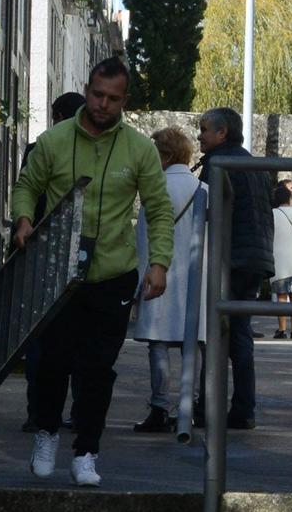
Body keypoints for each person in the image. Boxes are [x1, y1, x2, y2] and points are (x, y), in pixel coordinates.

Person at [10, 58, 174, 486]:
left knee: (98, 368)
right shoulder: (54, 141)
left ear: (125, 100)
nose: (103, 105)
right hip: (57, 273)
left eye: (113, 99)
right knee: (51, 364)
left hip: (113, 274)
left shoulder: (139, 149)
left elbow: (158, 210)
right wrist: (24, 219)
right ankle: (46, 433)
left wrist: (159, 263)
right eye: (97, 95)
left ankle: (87, 451)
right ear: (86, 90)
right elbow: (27, 185)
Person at [196, 108, 275, 430]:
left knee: (213, 334)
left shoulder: (217, 164)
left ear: (222, 132)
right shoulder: (252, 164)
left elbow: (205, 211)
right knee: (240, 336)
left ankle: (205, 408)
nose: (199, 136)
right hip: (255, 258)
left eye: (203, 129)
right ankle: (243, 408)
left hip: (230, 258)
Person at [129, 127, 207, 439]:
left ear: (164, 155)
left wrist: (139, 281)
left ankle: (159, 407)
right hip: (195, 278)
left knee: (158, 344)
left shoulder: (155, 188)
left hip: (161, 273)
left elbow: (144, 239)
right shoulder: (203, 188)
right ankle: (191, 405)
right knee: (194, 344)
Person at [21, 89, 88, 434]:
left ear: (58, 117)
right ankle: (79, 412)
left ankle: (39, 412)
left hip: (42, 255)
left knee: (41, 339)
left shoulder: (37, 149)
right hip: (83, 255)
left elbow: (27, 196)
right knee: (80, 340)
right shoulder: (94, 150)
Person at [270, 181, 292, 340]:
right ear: (290, 198)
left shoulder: (272, 214)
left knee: (282, 296)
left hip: (279, 260)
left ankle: (282, 329)